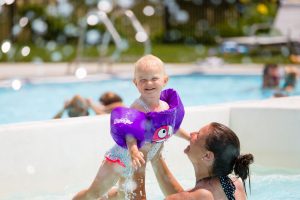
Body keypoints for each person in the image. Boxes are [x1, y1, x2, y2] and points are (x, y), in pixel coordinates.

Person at [73, 54, 190, 200]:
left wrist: (189, 137)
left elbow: (172, 128)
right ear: (136, 83)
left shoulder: (165, 107)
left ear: (165, 80)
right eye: (143, 80)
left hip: (139, 159)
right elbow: (130, 134)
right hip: (121, 159)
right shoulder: (138, 107)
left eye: (154, 78)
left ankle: (107, 198)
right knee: (94, 193)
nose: (149, 83)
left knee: (122, 195)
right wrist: (134, 151)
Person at [162, 122, 254, 200]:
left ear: (207, 156)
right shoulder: (235, 184)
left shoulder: (202, 195)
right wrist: (157, 158)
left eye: (197, 135)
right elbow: (183, 196)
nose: (191, 134)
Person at [54, 92, 124, 119]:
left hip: (81, 114)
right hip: (81, 113)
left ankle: (72, 107)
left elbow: (103, 115)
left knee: (77, 98)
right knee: (77, 98)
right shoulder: (103, 108)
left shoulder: (118, 106)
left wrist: (91, 105)